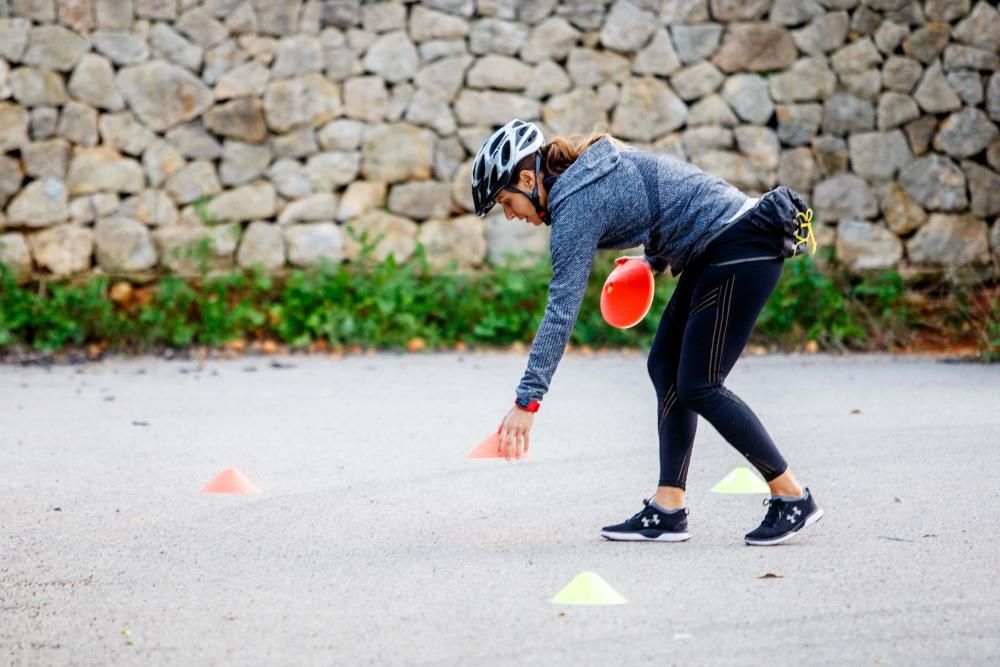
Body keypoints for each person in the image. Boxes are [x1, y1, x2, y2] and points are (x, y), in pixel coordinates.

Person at [471, 119, 824, 546]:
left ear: (528, 179)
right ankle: (668, 507)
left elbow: (561, 309)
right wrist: (651, 263)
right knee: (665, 366)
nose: (510, 215)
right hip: (717, 248)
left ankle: (791, 496)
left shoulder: (575, 204)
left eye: (507, 201)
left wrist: (527, 401)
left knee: (699, 385)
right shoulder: (592, 172)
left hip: (741, 246)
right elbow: (662, 200)